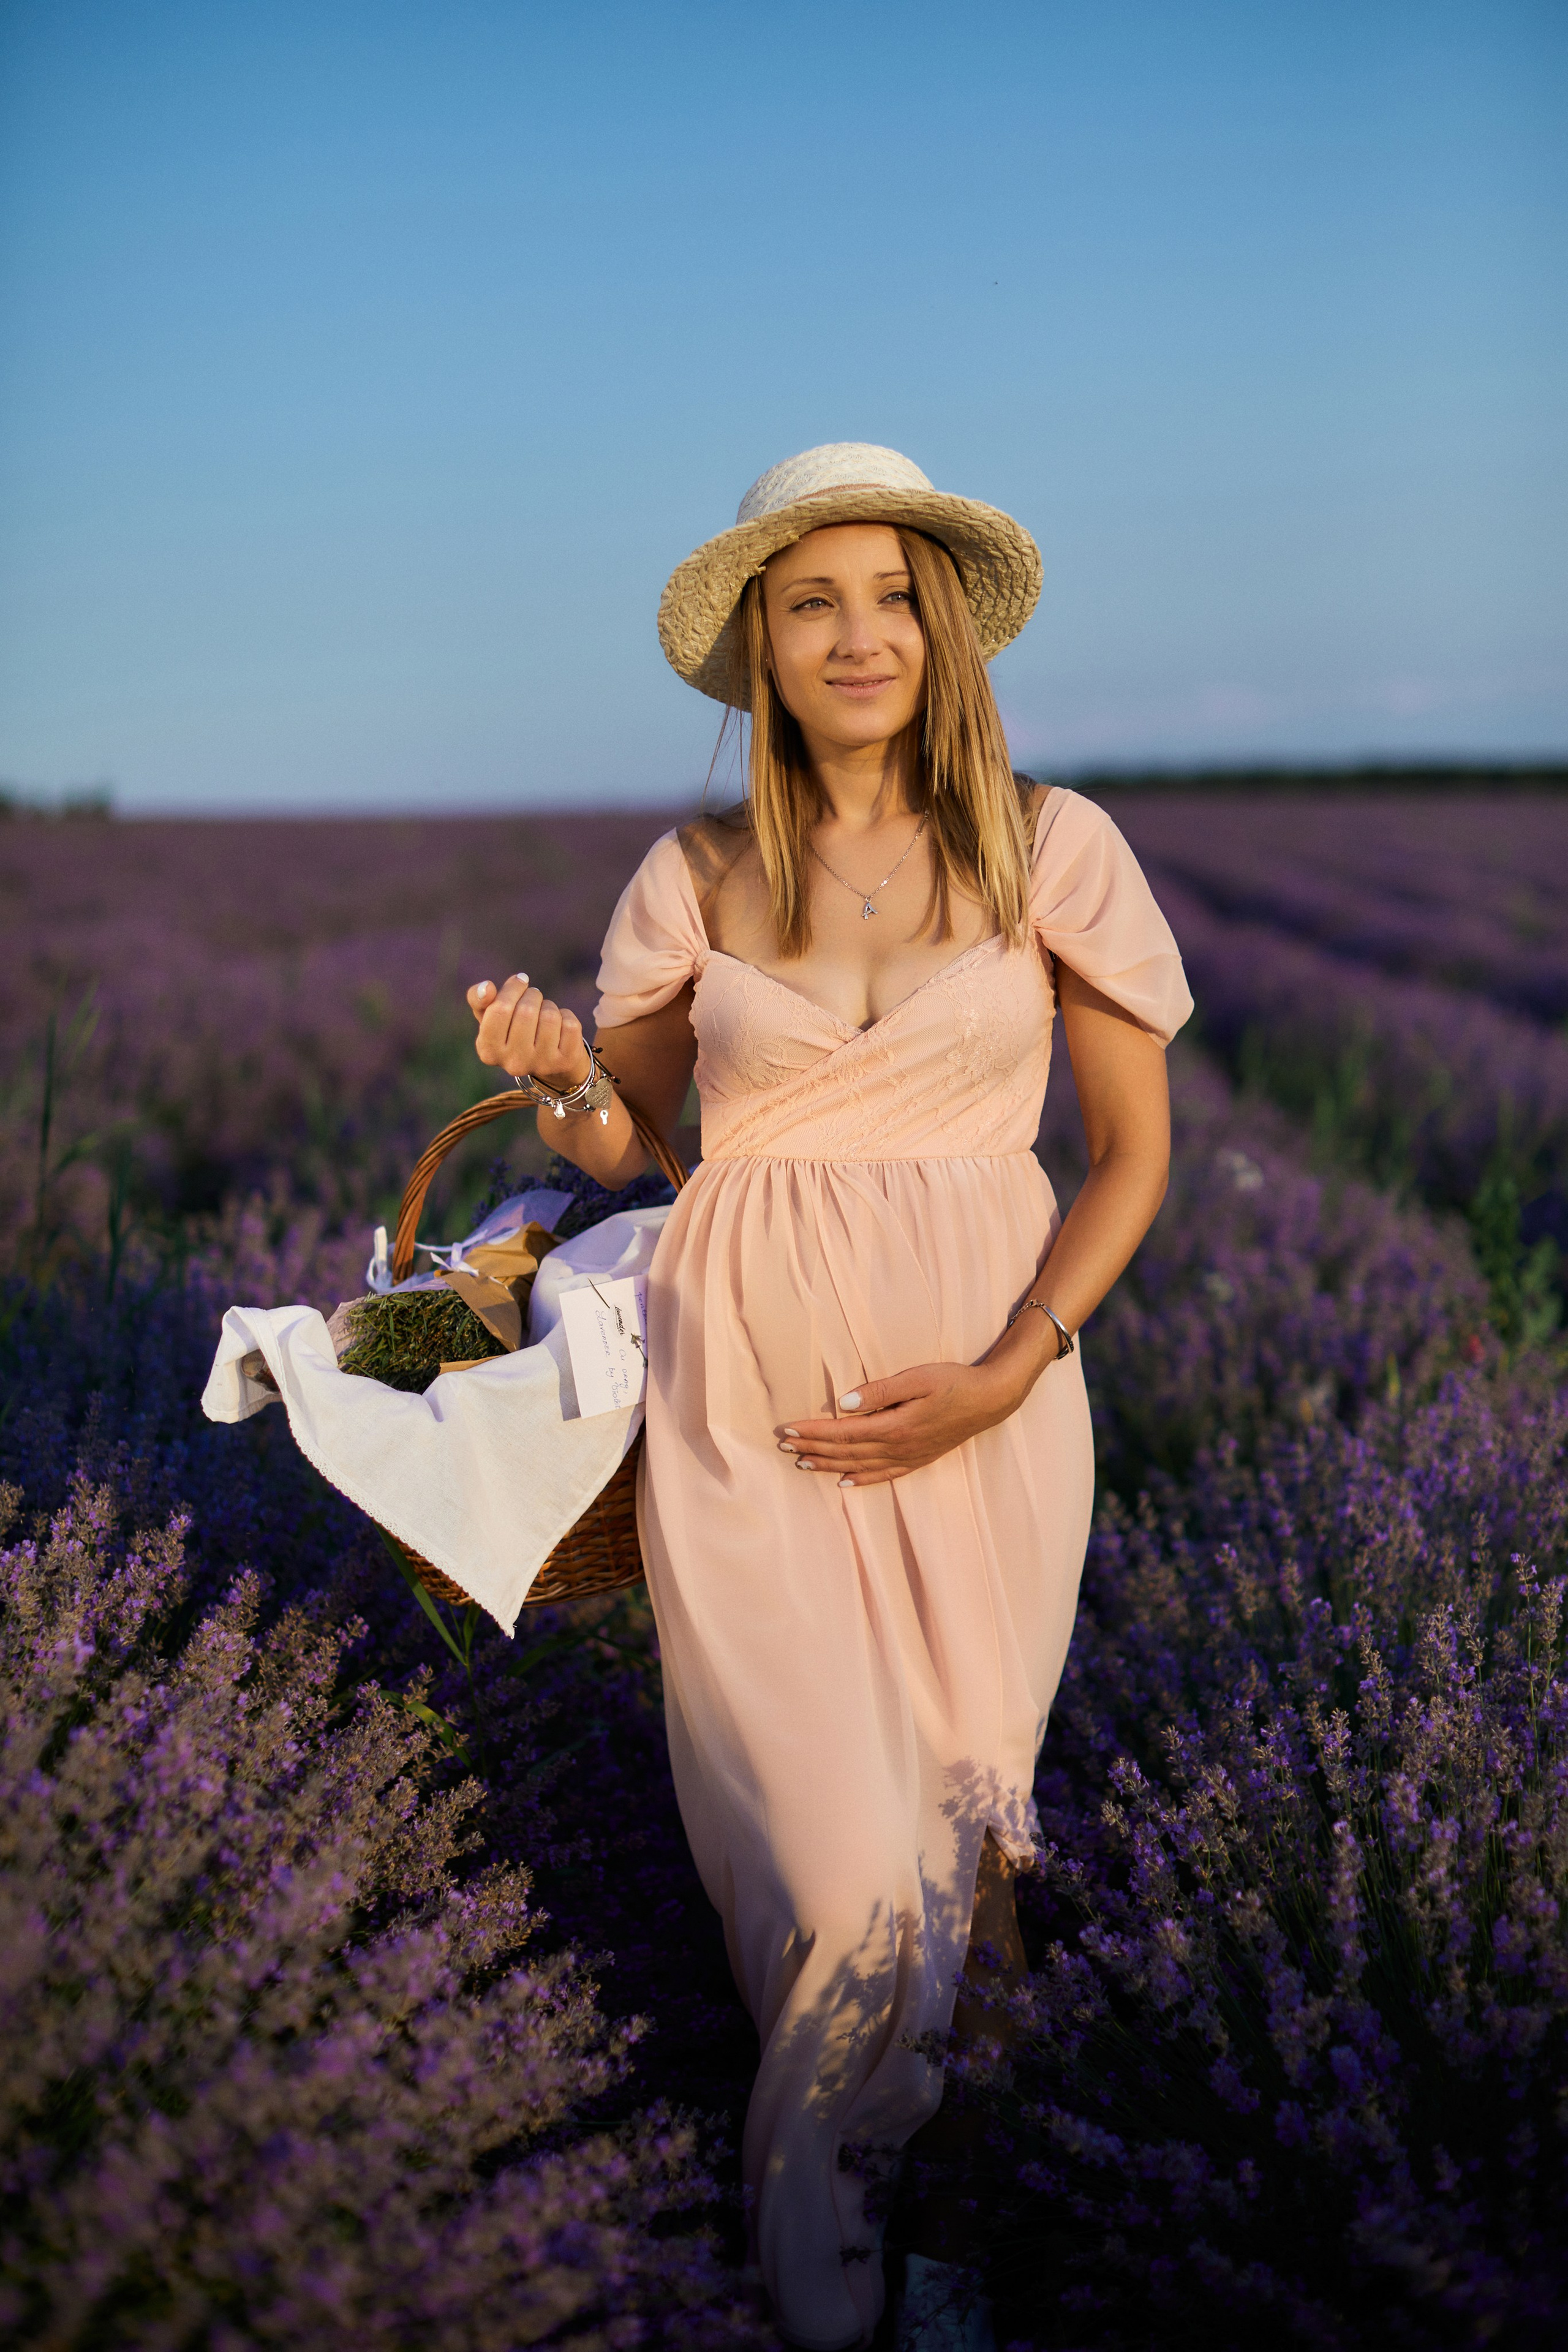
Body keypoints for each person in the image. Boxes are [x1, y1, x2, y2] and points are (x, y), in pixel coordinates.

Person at [467, 444, 1192, 2351]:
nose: (859, 634)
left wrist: (1007, 1372)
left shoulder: (1058, 846)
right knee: (838, 1863)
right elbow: (621, 1144)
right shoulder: (692, 872)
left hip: (995, 1402)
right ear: (763, 653)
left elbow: (1128, 1154)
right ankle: (823, 2290)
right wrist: (558, 1081)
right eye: (814, 603)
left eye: (893, 598)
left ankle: (960, 2257)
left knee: (974, 1851)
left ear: (945, 631)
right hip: (749, 1417)